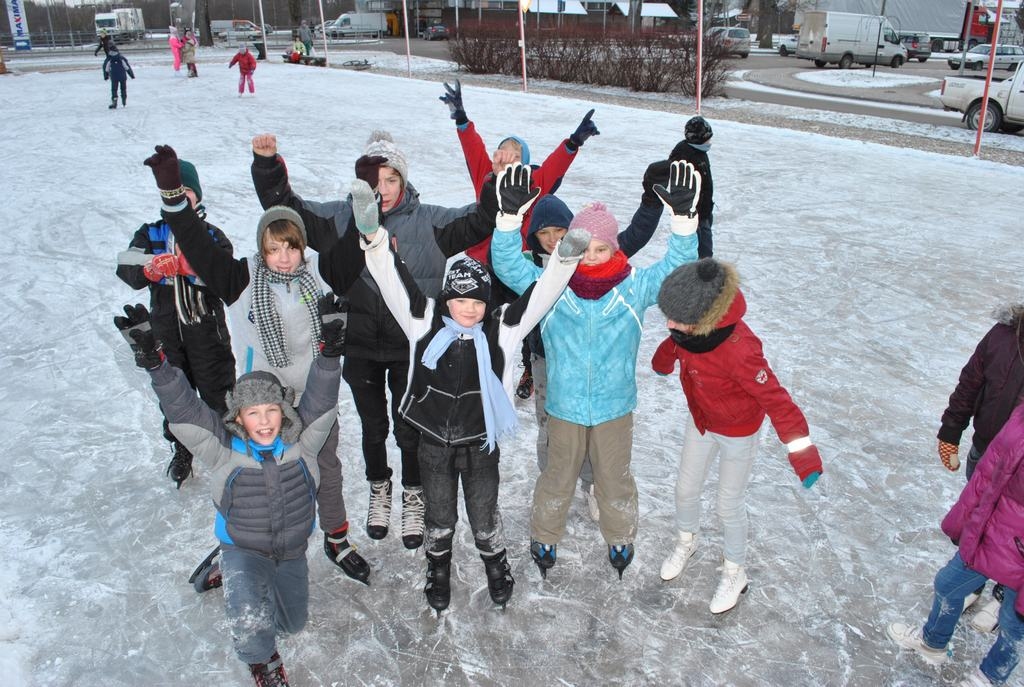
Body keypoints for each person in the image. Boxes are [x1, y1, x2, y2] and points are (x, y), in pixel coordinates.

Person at [348, 163, 587, 612]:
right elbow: (390, 277)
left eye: (477, 301)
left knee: (482, 515)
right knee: (439, 517)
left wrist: (565, 258)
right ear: (447, 300)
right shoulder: (422, 322)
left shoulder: (501, 329)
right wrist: (373, 236)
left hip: (481, 445)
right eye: (460, 301)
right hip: (433, 444)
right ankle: (437, 571)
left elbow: (540, 296)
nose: (469, 310)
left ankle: (495, 564)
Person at [251, 131, 499, 553]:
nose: (382, 190)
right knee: (373, 427)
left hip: (411, 348)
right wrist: (268, 166)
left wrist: (495, 184)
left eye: (390, 180)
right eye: (374, 181)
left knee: (409, 428)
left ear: (403, 182)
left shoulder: (430, 221)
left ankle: (413, 494)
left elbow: (479, 220)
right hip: (360, 347)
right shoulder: (341, 218)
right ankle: (379, 487)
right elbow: (288, 211)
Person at [142, 145, 371, 585]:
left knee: (326, 468)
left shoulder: (319, 272)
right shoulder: (241, 278)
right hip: (262, 405)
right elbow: (193, 241)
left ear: (302, 247)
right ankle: (241, 548)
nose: (283, 257)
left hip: (314, 393)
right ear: (261, 248)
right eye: (273, 248)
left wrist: (367, 211)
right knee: (255, 480)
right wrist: (172, 191)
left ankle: (337, 538)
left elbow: (354, 248)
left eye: (291, 247)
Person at [115, 299, 346, 687]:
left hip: (290, 548)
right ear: (237, 417)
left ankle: (222, 569)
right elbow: (186, 410)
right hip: (244, 545)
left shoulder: (302, 444)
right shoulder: (222, 450)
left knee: (292, 624)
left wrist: (329, 355)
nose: (263, 421)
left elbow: (321, 400)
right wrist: (157, 363)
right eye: (252, 413)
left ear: (284, 411)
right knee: (251, 621)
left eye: (271, 411)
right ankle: (262, 661)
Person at [491, 160, 701, 580]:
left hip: (614, 407)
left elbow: (675, 271)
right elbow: (509, 266)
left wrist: (683, 224)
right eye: (583, 247)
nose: (590, 257)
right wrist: (508, 221)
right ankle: (545, 534)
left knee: (615, 478)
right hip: (565, 406)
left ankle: (620, 534)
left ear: (614, 249)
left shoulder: (633, 287)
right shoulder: (553, 286)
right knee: (557, 475)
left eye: (600, 249)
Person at [651, 257, 823, 614]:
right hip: (702, 421)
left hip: (738, 432)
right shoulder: (689, 332)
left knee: (728, 504)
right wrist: (663, 359)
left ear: (706, 318)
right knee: (685, 489)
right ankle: (687, 541)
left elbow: (777, 399)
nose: (669, 324)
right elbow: (675, 348)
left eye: (677, 319)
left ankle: (735, 571)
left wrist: (803, 455)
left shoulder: (740, 349)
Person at [517, 173, 666, 522]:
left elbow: (634, 236)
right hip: (545, 359)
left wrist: (650, 201)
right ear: (535, 237)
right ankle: (554, 484)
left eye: (560, 233)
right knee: (551, 426)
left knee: (591, 427)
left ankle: (592, 484)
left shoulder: (591, 257)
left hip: (592, 361)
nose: (554, 241)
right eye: (545, 234)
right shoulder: (531, 267)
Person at [438, 80, 598, 398]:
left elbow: (553, 168)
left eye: (515, 152)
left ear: (523, 160)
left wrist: (573, 143)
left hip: (516, 264)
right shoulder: (487, 177)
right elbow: (472, 150)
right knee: (481, 318)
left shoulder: (532, 182)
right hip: (483, 264)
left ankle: (528, 367)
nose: (507, 157)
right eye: (504, 150)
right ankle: (474, 366)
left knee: (526, 320)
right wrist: (461, 119)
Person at [116, 156, 235, 488]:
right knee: (174, 390)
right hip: (167, 327)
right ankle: (183, 447)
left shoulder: (210, 234)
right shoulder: (151, 232)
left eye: (187, 191)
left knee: (218, 390)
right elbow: (125, 263)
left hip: (207, 330)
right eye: (175, 192)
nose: (181, 197)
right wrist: (149, 267)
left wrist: (193, 268)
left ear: (197, 195)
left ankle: (228, 448)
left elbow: (227, 274)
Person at [887, 403, 1024, 687]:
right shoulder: (1021, 413)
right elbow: (988, 471)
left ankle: (987, 679)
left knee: (1014, 625)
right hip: (990, 530)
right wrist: (964, 517)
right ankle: (932, 644)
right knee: (948, 584)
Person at [936, 302, 1024, 632]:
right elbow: (970, 384)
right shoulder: (1003, 335)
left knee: (1015, 538)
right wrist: (951, 430)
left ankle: (1005, 596)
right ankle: (971, 584)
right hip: (987, 455)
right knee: (979, 520)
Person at [659, 116, 714, 258]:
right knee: (703, 252)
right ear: (699, 138)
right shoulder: (685, 154)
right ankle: (700, 276)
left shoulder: (700, 152)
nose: (710, 142)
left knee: (703, 248)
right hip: (693, 212)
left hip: (705, 210)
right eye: (707, 138)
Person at [102, 44, 134, 110]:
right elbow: (127, 67)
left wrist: (106, 76)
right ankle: (124, 100)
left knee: (114, 89)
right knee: (123, 89)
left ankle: (114, 101)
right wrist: (131, 75)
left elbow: (106, 68)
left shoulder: (109, 59)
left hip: (114, 77)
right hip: (122, 76)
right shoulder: (121, 58)